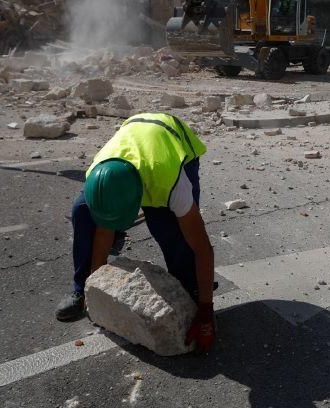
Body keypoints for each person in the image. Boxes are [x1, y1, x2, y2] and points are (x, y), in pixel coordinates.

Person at [55, 112, 216, 353]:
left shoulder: (171, 183)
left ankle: (189, 287)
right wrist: (96, 287)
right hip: (133, 142)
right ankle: (80, 288)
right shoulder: (99, 175)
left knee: (171, 230)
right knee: (82, 213)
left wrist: (206, 309)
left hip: (174, 142)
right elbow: (103, 231)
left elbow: (201, 247)